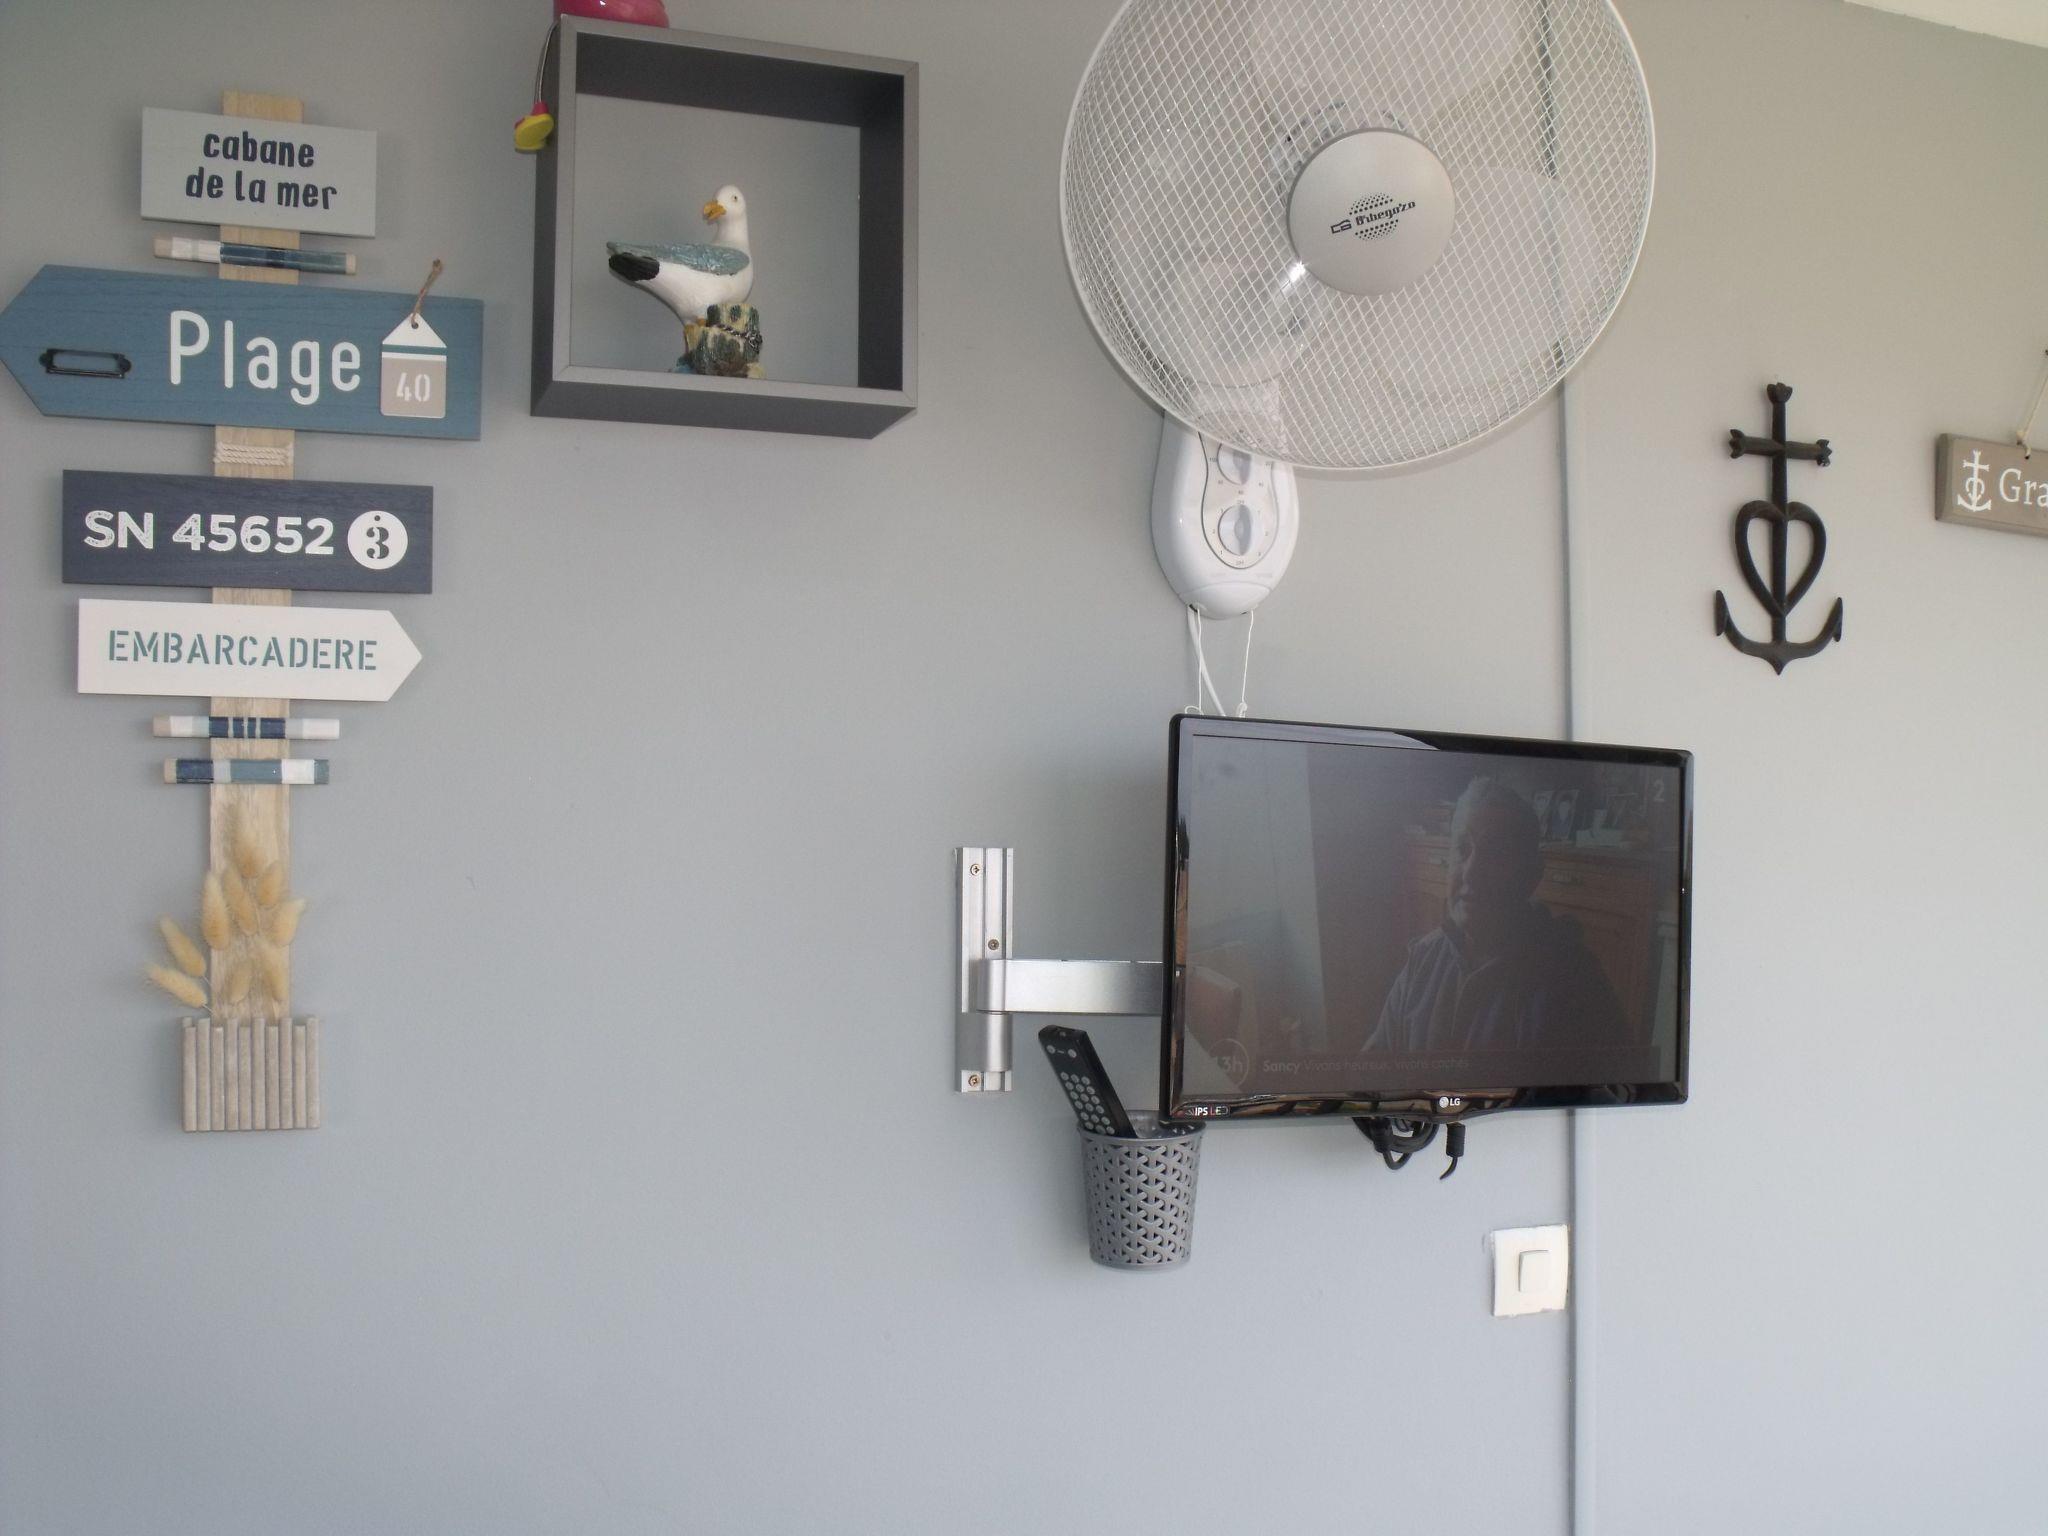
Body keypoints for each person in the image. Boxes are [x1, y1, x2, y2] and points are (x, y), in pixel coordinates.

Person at [1365, 776, 1628, 1055]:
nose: (1470, 873)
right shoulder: (1423, 958)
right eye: (1462, 849)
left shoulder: (1575, 981)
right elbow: (1373, 1066)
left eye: (1495, 853)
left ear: (1532, 874)